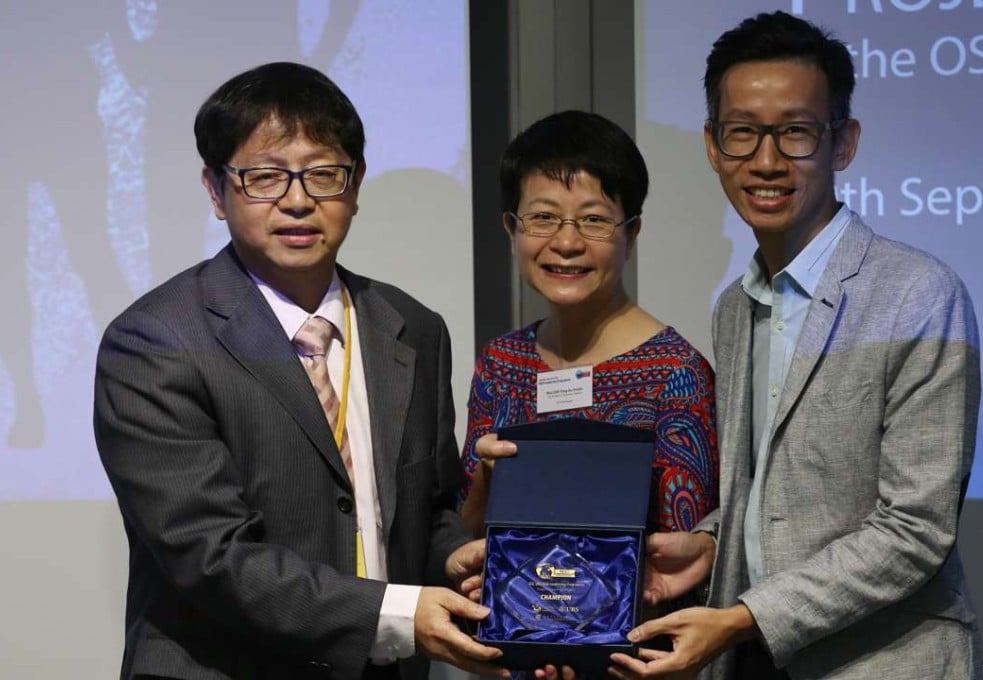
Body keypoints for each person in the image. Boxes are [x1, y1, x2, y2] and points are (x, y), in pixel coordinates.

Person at [93, 62, 505, 680]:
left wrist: (453, 559)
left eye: (322, 173)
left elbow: (428, 508)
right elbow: (209, 553)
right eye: (264, 176)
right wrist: (393, 614)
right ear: (216, 190)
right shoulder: (155, 341)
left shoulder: (412, 327)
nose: (297, 200)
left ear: (355, 185)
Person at [609, 11, 983, 680]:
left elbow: (917, 529)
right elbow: (773, 489)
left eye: (796, 132)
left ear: (844, 143)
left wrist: (743, 617)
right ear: (712, 146)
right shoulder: (734, 306)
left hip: (889, 663)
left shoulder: (919, 293)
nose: (766, 160)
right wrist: (710, 542)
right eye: (743, 131)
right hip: (757, 663)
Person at [459, 110, 718, 548]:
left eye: (594, 220)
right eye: (543, 217)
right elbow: (468, 534)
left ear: (631, 234)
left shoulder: (677, 373)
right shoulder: (500, 364)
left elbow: (682, 552)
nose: (566, 243)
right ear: (511, 229)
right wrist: (487, 480)